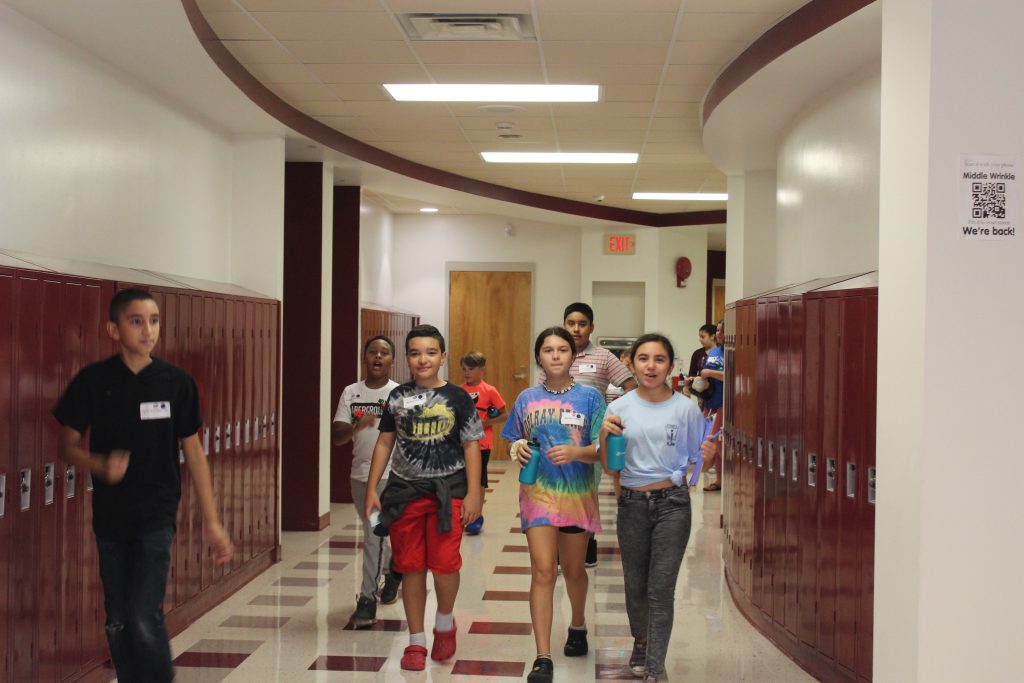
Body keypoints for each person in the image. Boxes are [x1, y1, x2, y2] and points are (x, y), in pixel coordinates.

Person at [53, 288, 234, 683]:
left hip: (157, 513)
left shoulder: (176, 383)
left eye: (153, 321)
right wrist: (97, 463)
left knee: (142, 611)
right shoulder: (94, 381)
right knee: (118, 619)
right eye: (136, 321)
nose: (147, 330)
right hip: (111, 517)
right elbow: (66, 446)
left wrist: (213, 521)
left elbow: (196, 455)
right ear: (113, 329)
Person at [363, 324, 484, 671]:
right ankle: (416, 641)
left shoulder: (458, 397)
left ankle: (444, 622)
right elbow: (385, 441)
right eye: (415, 353)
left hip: (450, 492)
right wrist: (373, 488)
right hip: (405, 492)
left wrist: (475, 493)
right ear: (407, 358)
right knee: (411, 565)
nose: (423, 359)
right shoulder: (397, 396)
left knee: (445, 564)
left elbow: (472, 444)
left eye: (431, 352)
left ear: (443, 357)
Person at [502, 327, 606, 683]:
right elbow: (513, 439)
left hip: (576, 496)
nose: (556, 355)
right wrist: (516, 448)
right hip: (537, 496)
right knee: (543, 571)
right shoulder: (526, 398)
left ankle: (577, 625)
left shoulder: (590, 399)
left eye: (563, 349)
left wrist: (577, 452)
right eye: (548, 350)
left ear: (573, 356)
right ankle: (542, 657)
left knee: (574, 570)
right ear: (539, 357)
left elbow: (603, 448)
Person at [599, 333, 704, 683]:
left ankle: (655, 669)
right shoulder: (619, 407)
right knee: (635, 584)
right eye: (643, 358)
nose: (651, 366)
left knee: (661, 588)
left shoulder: (686, 408)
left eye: (659, 359)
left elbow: (695, 459)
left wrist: (704, 460)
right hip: (631, 504)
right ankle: (641, 639)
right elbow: (609, 467)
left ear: (671, 366)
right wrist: (602, 436)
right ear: (632, 364)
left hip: (672, 505)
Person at [541, 302, 636, 568]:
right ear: (564, 324)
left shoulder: (604, 357)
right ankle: (561, 546)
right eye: (571, 323)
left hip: (591, 441)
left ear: (591, 328)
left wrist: (612, 413)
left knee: (586, 493)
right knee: (558, 491)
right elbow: (541, 392)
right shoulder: (556, 354)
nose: (576, 328)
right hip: (557, 439)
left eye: (582, 324)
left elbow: (630, 385)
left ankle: (588, 543)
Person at [332, 335, 403, 627]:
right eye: (373, 351)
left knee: (374, 535)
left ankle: (366, 599)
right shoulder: (352, 393)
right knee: (377, 531)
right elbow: (337, 437)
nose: (378, 356)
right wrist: (355, 425)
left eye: (384, 353)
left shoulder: (400, 394)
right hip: (360, 477)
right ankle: (393, 569)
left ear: (392, 360)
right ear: (365, 357)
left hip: (393, 477)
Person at [459, 350, 507, 535]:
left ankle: (476, 516)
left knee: (478, 480)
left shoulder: (490, 391)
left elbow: (504, 414)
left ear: (481, 370)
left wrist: (485, 423)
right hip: (462, 443)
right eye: (464, 369)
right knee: (463, 478)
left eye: (471, 369)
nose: (467, 373)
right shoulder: (459, 391)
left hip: (482, 444)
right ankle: (464, 512)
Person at [699, 320, 725, 491]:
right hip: (710, 403)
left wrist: (710, 373)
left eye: (721, 331)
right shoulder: (715, 351)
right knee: (711, 440)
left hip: (726, 403)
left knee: (716, 442)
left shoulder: (732, 351)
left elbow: (735, 374)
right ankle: (718, 480)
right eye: (717, 331)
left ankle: (721, 479)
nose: (718, 334)